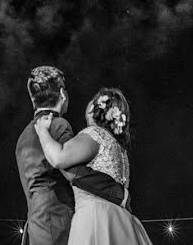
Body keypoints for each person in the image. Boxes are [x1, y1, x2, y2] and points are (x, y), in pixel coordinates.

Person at [15, 67, 129, 245]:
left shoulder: (23, 136)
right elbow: (74, 172)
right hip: (60, 226)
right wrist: (119, 193)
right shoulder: (58, 125)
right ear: (62, 94)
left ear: (32, 98)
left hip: (35, 229)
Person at [35, 87, 153, 245]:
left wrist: (42, 131)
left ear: (93, 108)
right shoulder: (119, 148)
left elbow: (58, 158)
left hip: (97, 219)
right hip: (123, 222)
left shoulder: (95, 134)